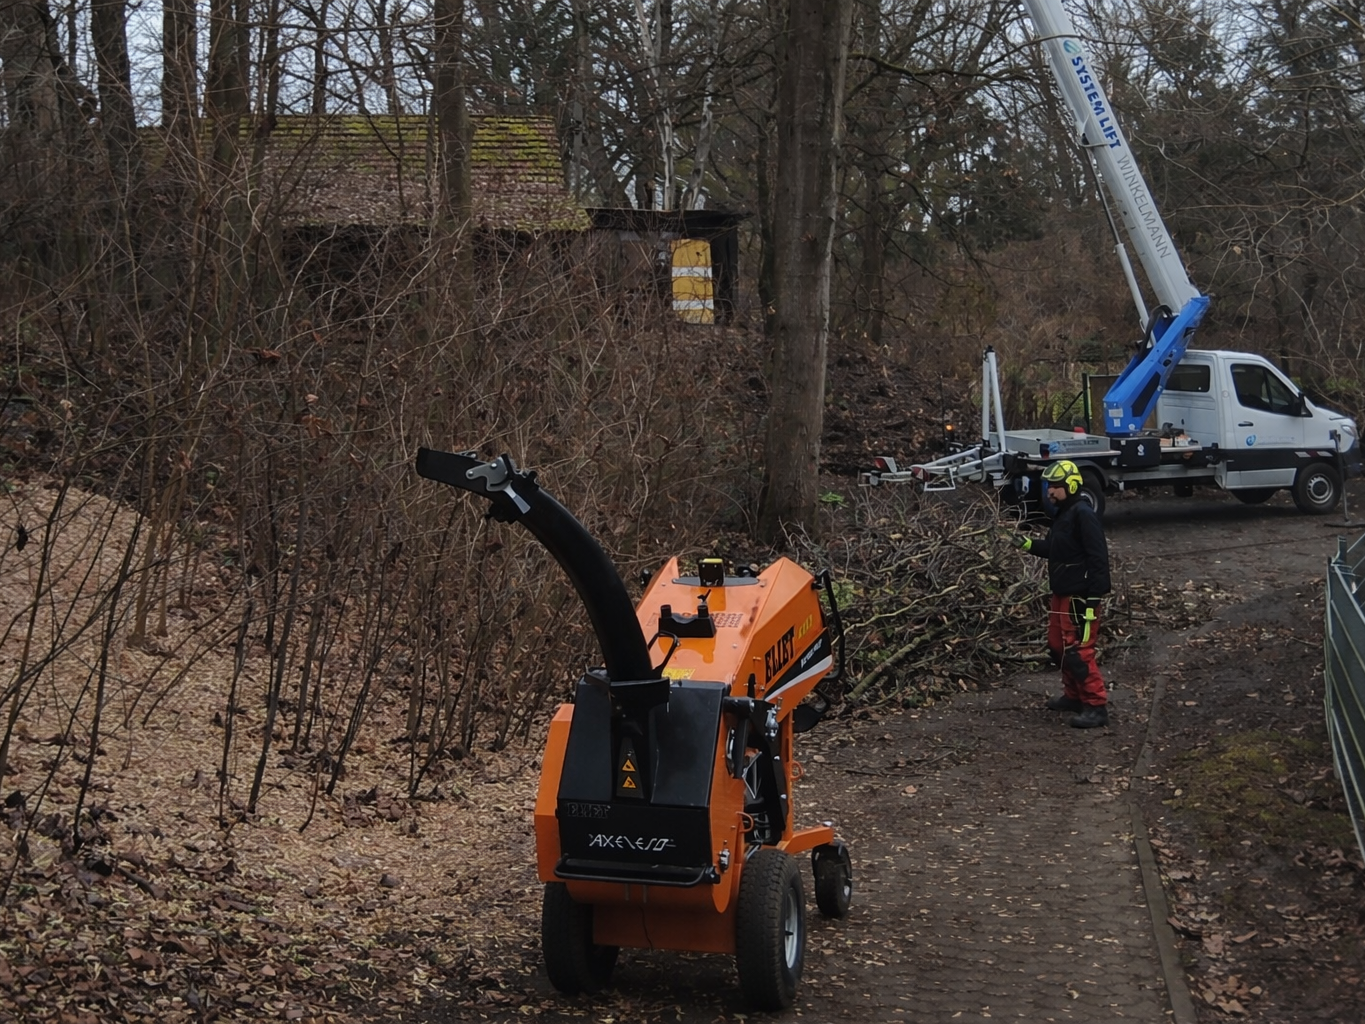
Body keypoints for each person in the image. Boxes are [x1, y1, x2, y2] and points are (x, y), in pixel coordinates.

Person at [1009, 459, 1112, 728]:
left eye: (1055, 486)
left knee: (1078, 651)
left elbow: (1099, 557)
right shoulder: (1063, 515)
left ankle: (1095, 705)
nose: (1050, 492)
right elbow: (1057, 549)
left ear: (1072, 485)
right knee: (1057, 647)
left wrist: (1094, 598)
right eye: (1049, 486)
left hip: (1080, 596)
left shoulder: (1083, 514)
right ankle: (1074, 695)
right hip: (1062, 592)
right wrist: (1028, 544)